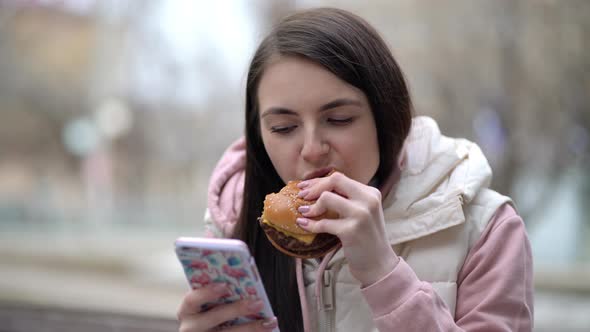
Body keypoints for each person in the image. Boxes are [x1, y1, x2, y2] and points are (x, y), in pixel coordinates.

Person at [177, 7, 533, 332]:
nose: (313, 150)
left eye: (339, 119)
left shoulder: (486, 229)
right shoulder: (232, 228)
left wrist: (383, 273)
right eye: (284, 128)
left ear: (384, 117)